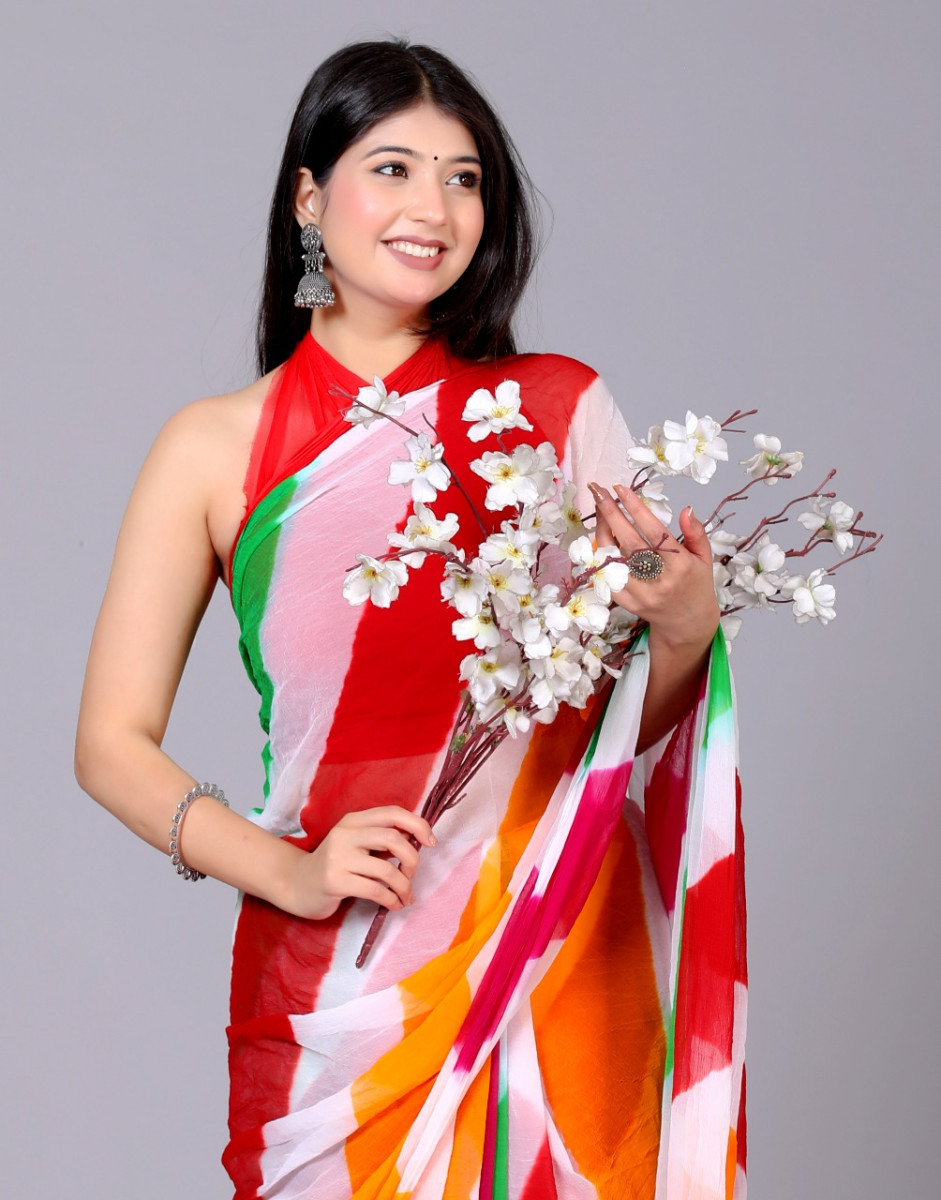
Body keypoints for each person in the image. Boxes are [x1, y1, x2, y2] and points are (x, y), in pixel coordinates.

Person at [76, 40, 746, 1200]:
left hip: (550, 960)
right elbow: (108, 745)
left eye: (463, 177)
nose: (433, 209)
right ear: (308, 195)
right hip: (328, 997)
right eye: (392, 168)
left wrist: (683, 629)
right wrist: (286, 872)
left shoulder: (556, 412)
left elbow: (614, 734)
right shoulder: (215, 449)